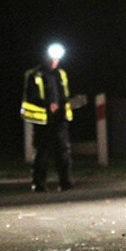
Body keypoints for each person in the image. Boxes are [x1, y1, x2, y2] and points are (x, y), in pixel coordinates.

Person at [20, 43, 74, 192]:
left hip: (59, 119)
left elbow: (65, 95)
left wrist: (64, 106)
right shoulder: (34, 75)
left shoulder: (61, 74)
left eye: (56, 59)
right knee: (42, 154)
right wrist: (47, 105)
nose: (54, 62)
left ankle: (65, 183)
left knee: (63, 152)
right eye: (52, 58)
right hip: (43, 120)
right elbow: (31, 97)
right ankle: (38, 184)